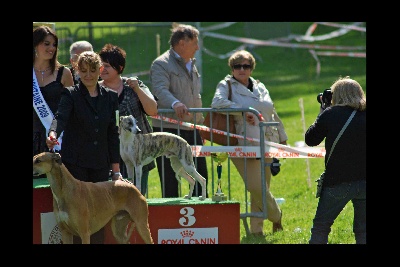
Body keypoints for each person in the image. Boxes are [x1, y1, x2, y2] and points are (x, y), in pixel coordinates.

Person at [46, 51, 122, 244]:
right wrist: (53, 133)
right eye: (84, 71)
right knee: (76, 218)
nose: (88, 75)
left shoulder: (111, 97)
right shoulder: (70, 94)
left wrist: (116, 171)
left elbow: (113, 134)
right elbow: (60, 117)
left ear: (100, 70)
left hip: (99, 166)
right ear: (77, 71)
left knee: (97, 217)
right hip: (75, 165)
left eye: (93, 70)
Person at [211, 50, 287, 235]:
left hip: (267, 141)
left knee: (263, 188)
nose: (241, 69)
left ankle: (256, 231)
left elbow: (272, 110)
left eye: (246, 66)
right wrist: (244, 110)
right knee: (256, 187)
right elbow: (217, 102)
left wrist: (282, 135)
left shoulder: (260, 86)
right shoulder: (226, 84)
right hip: (242, 142)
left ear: (251, 68)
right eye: (237, 66)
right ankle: (276, 215)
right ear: (232, 68)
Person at [149, 23, 208, 199]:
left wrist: (201, 123)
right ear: (182, 43)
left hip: (192, 128)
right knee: (170, 178)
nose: (197, 47)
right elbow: (160, 90)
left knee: (200, 173)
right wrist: (175, 103)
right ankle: (171, 217)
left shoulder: (192, 64)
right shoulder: (161, 64)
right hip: (168, 129)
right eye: (194, 43)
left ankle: (202, 216)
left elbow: (194, 95)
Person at [305, 76, 366, 244]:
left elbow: (310, 139)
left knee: (321, 226)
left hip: (338, 181)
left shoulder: (331, 114)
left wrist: (322, 111)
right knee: (363, 230)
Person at [99, 43, 158, 196]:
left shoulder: (134, 85)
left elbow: (152, 110)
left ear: (119, 67)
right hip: (109, 157)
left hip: (137, 153)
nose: (102, 69)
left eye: (107, 66)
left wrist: (137, 89)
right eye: (101, 65)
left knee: (136, 201)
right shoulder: (96, 90)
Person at [33, 25, 74, 174]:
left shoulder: (64, 73)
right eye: (46, 43)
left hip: (57, 139)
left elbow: (71, 107)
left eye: (54, 44)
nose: (52, 48)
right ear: (35, 45)